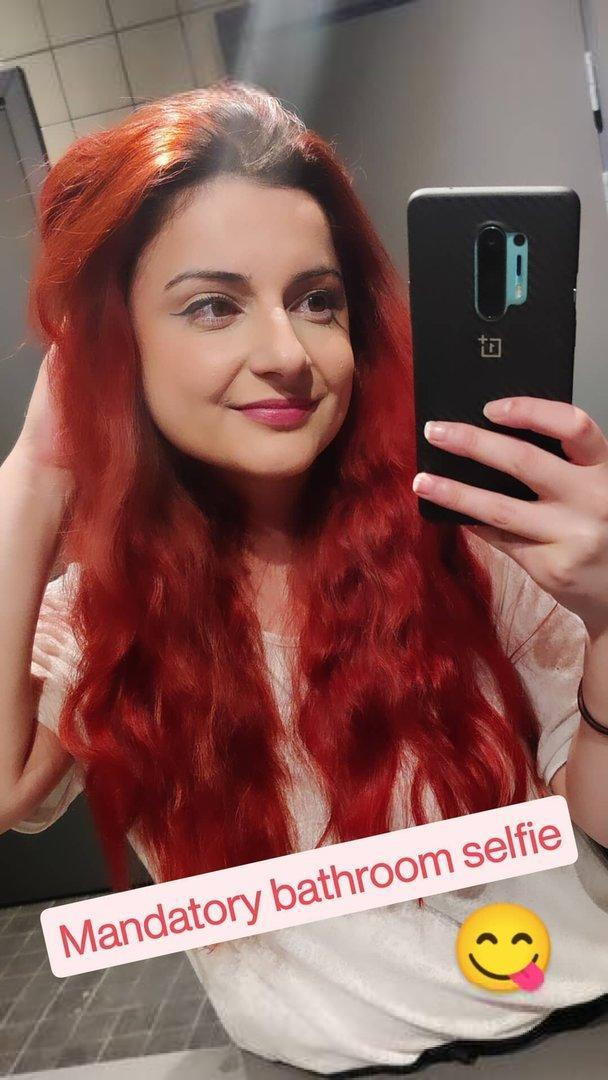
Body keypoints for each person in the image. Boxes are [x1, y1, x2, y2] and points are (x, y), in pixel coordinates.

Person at [2, 78, 608, 1076]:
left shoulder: (465, 540)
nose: (286, 353)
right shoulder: (99, 617)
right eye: (213, 306)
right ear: (117, 345)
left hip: (571, 1025)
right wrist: (33, 472)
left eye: (316, 301)